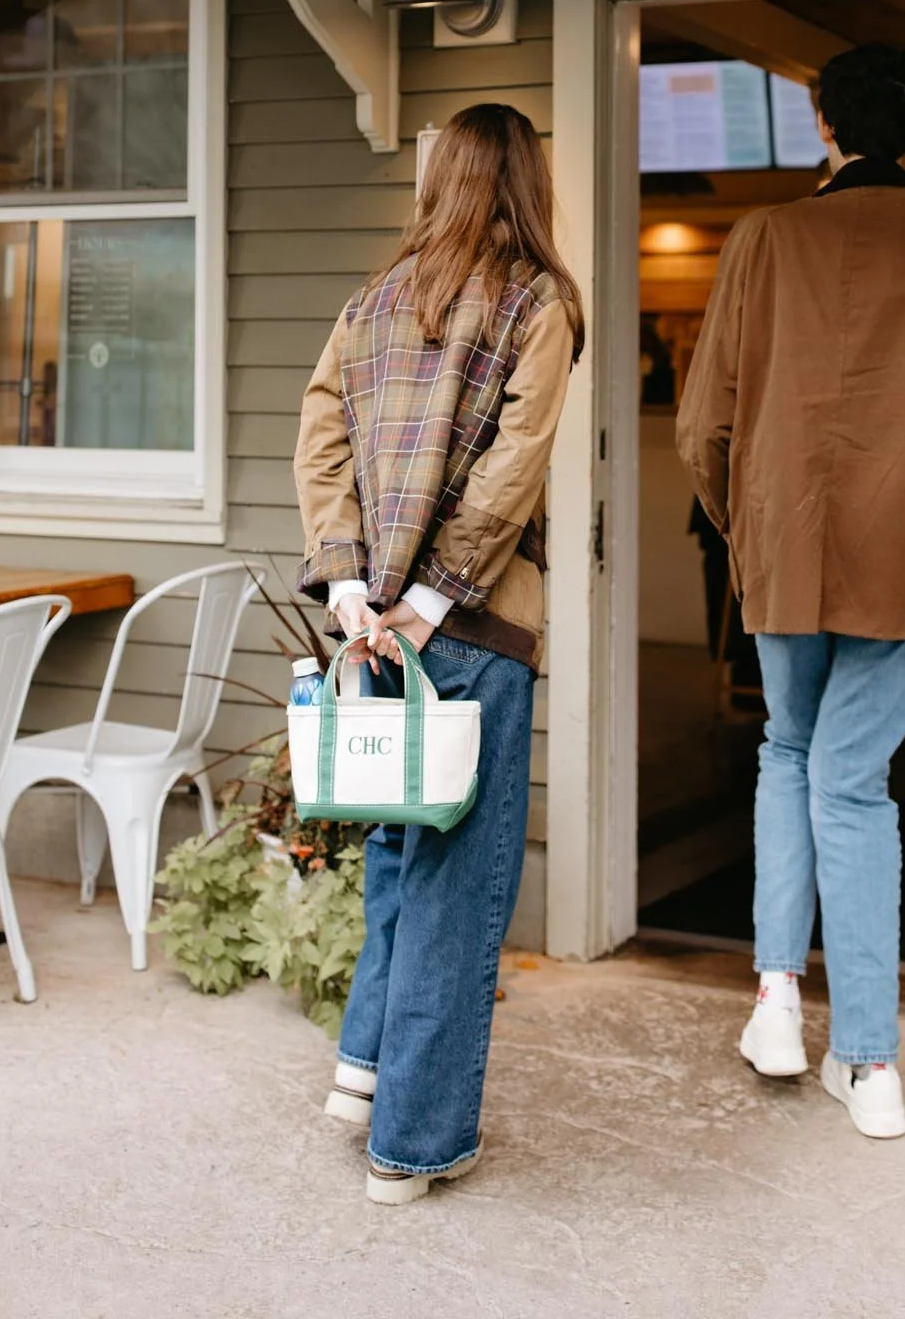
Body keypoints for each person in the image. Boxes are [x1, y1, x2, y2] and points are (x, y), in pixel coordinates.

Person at [676, 42, 905, 1141]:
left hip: (785, 541)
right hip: (902, 546)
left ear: (824, 126)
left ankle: (777, 998)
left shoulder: (764, 236)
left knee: (790, 752)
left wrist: (750, 524)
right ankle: (869, 1061)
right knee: (854, 784)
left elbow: (702, 428)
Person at [294, 103, 583, 1205]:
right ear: (526, 182)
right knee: (461, 886)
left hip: (372, 630)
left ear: (441, 181)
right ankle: (410, 1148)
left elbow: (319, 437)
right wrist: (424, 596)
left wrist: (356, 587)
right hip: (470, 625)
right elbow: (512, 470)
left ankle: (361, 1072)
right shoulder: (539, 300)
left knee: (399, 859)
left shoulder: (372, 299)